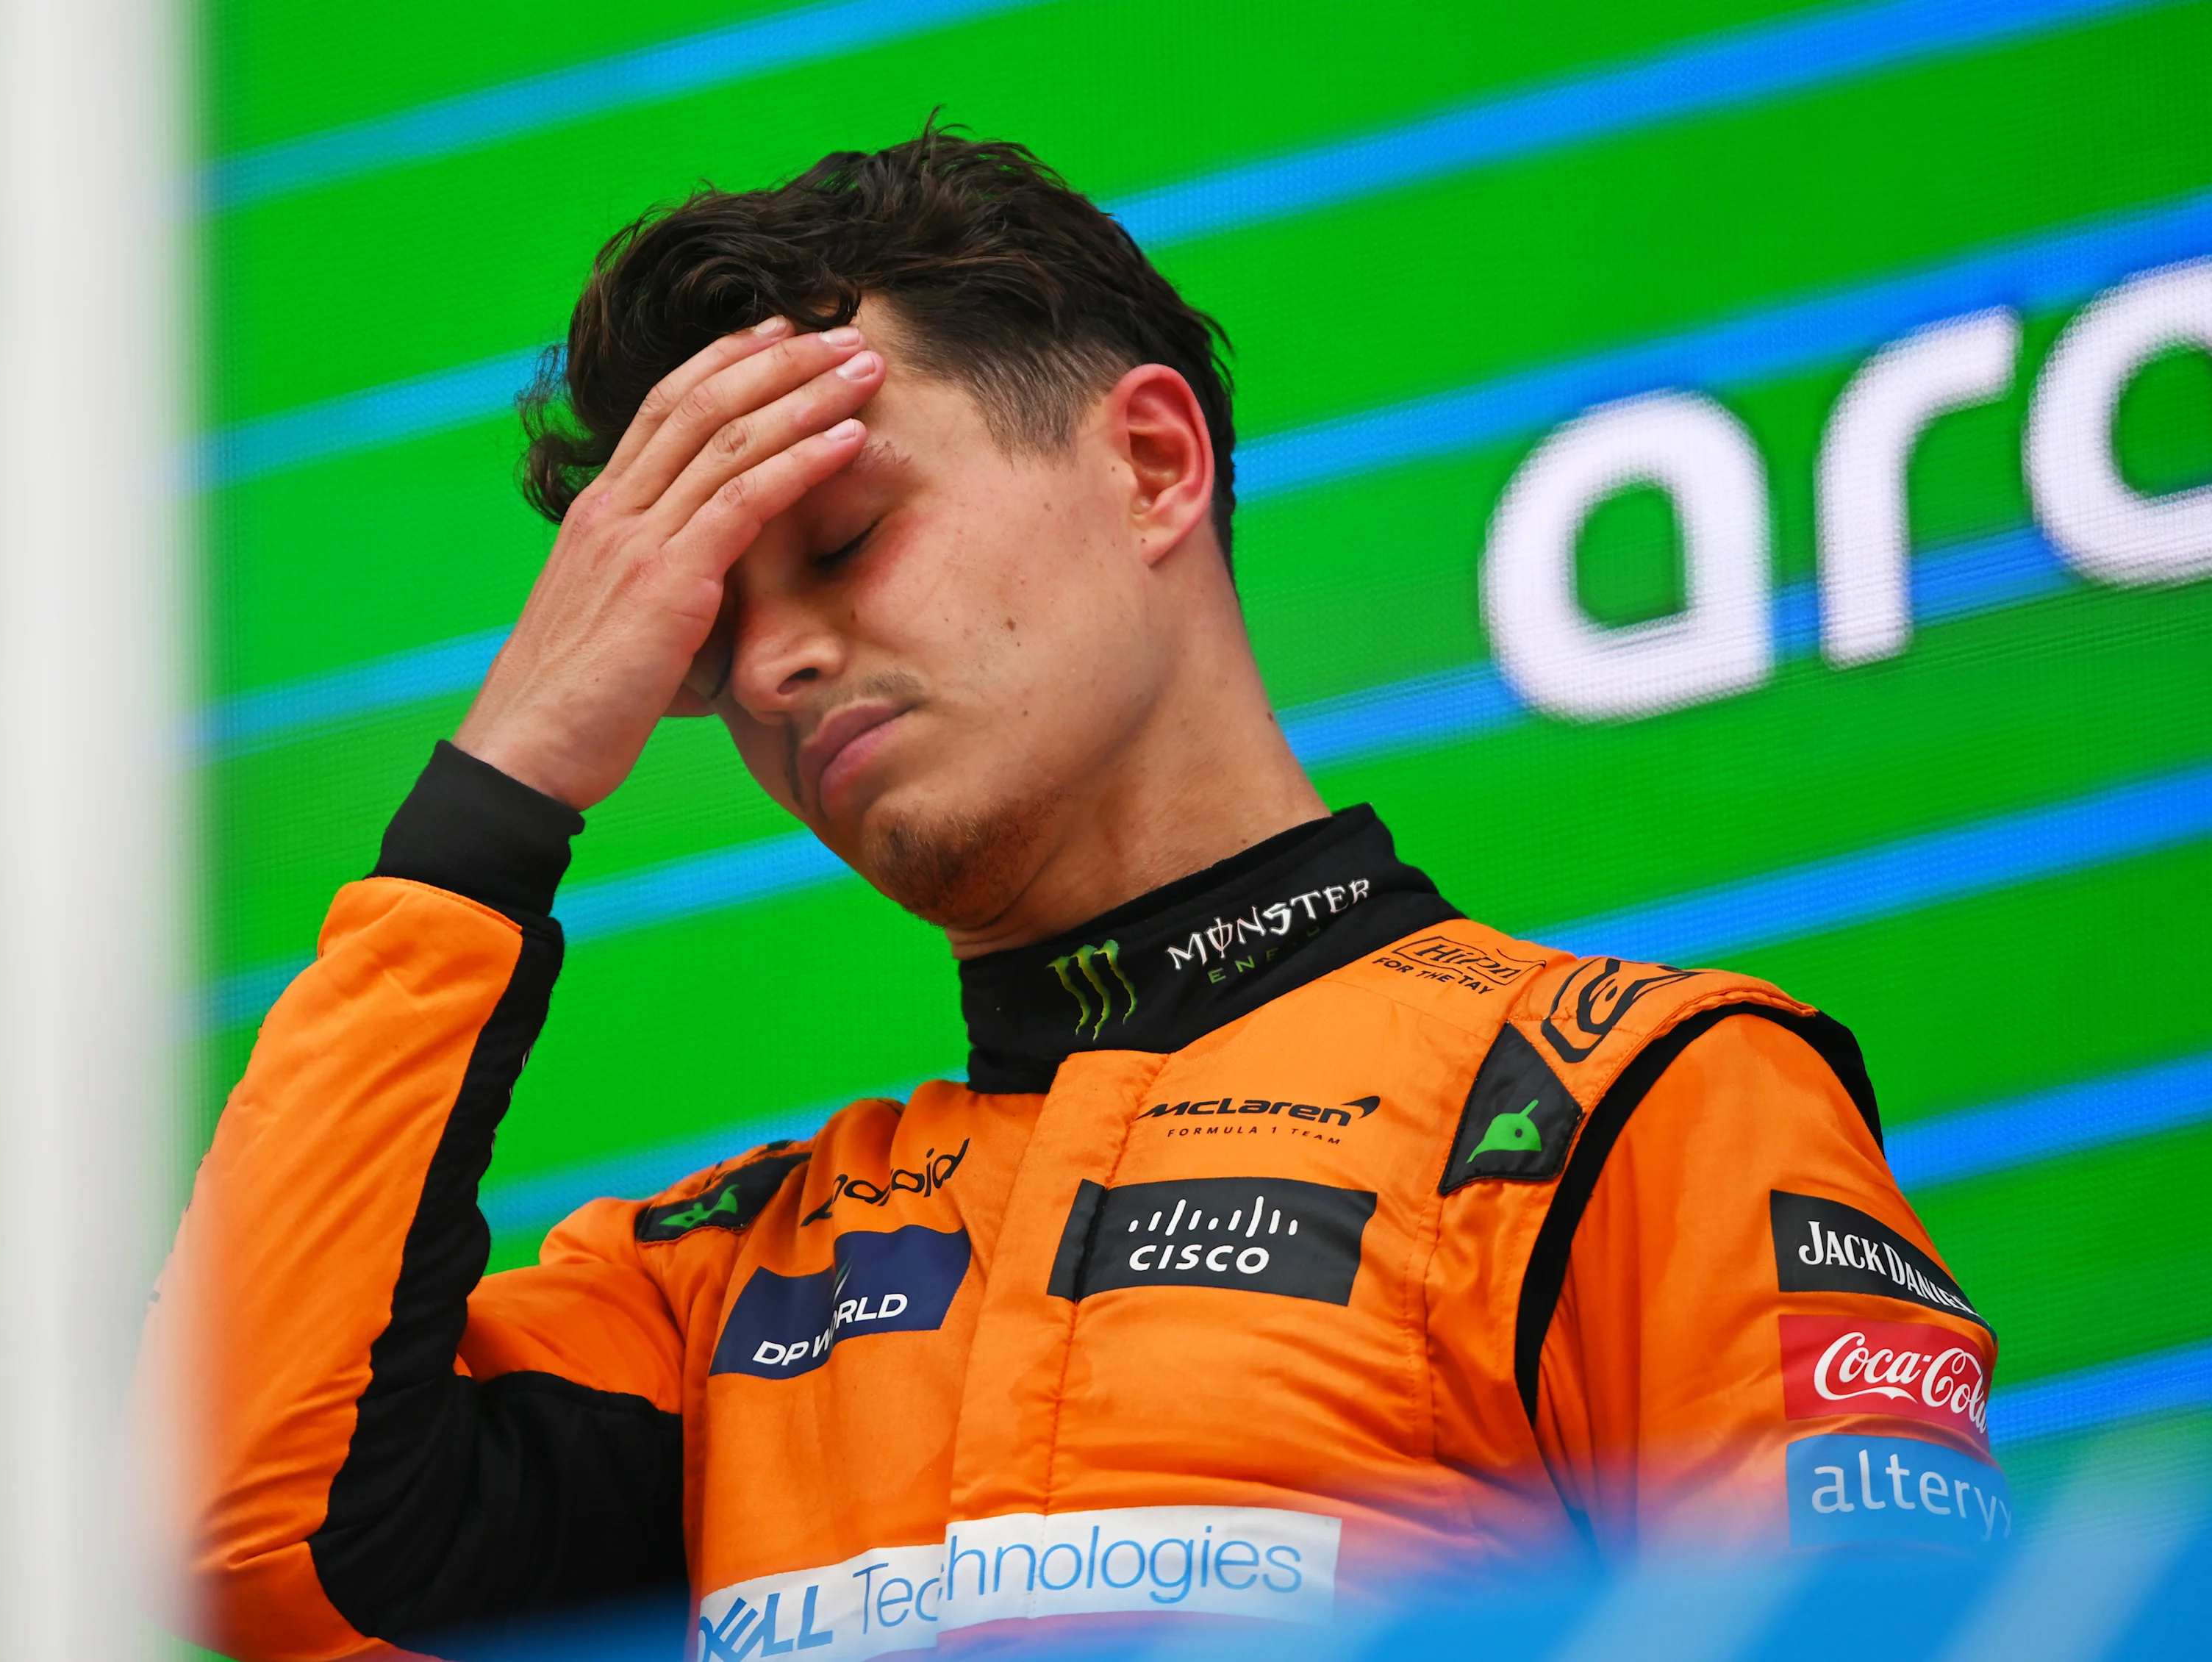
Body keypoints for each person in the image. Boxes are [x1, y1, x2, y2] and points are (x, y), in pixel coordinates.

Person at [137, 130, 2006, 1662]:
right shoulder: (720, 1286)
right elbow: (254, 1533)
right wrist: (509, 778)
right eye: (711, 629)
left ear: (1149, 461)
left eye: (846, 537)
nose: (775, 666)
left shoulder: (1625, 1102)